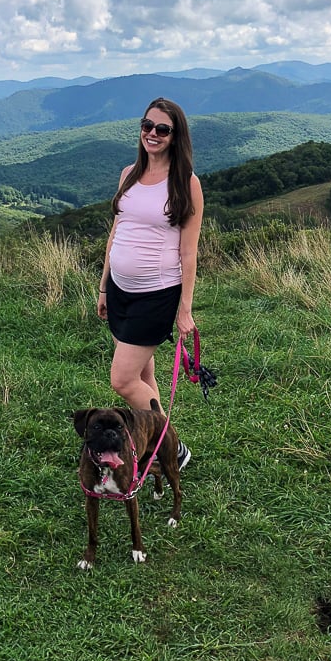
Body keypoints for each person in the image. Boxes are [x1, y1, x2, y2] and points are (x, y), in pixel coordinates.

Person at [97, 96, 204, 469]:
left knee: (123, 380)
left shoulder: (186, 184)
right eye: (147, 126)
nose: (152, 134)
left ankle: (172, 449)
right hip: (120, 291)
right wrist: (103, 285)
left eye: (162, 129)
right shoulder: (129, 173)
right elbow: (117, 231)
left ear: (176, 136)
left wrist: (185, 309)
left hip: (156, 295)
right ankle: (155, 449)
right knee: (143, 373)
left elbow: (188, 252)